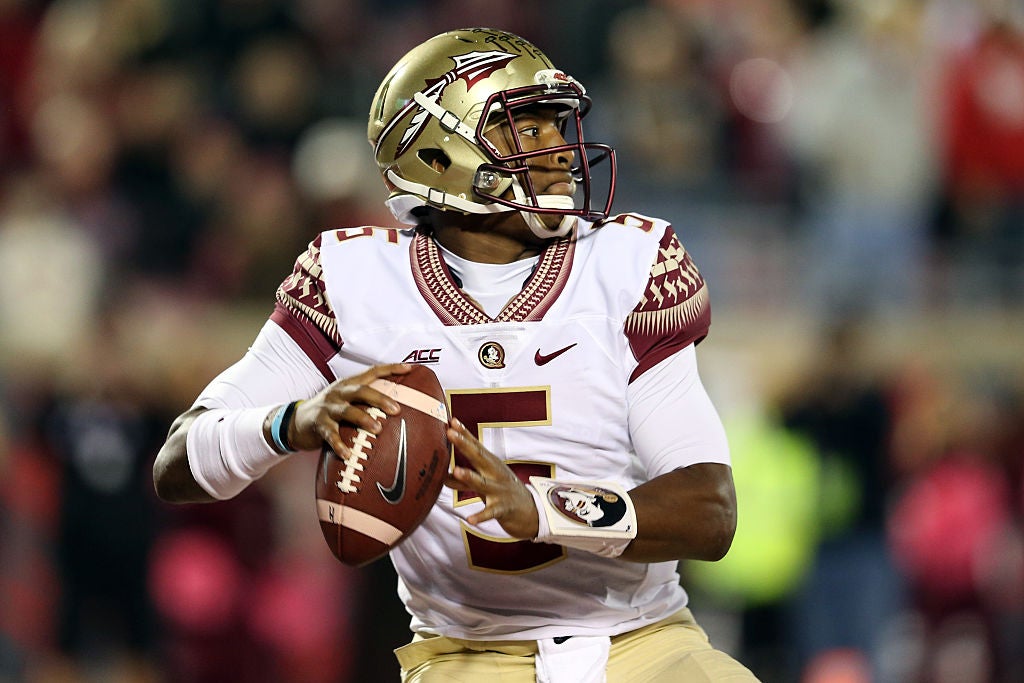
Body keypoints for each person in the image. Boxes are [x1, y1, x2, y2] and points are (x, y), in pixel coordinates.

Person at [153, 27, 758, 683]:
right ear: (438, 154)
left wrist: (544, 510)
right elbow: (178, 460)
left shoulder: (626, 263)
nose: (561, 151)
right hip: (467, 655)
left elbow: (709, 509)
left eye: (558, 126)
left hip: (643, 640)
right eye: (526, 129)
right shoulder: (352, 277)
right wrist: (291, 422)